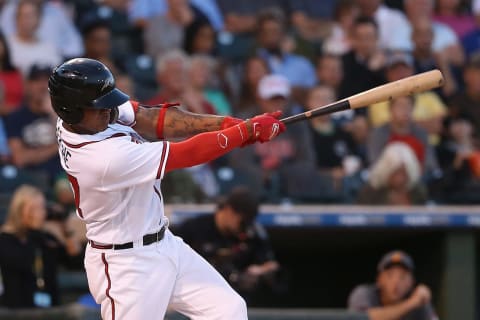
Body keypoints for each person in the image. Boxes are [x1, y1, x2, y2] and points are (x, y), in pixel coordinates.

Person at [48, 57, 285, 319]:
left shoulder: (86, 120)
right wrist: (243, 132)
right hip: (126, 265)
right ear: (70, 110)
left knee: (228, 310)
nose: (108, 110)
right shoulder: (101, 159)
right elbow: (187, 153)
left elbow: (152, 118)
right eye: (99, 107)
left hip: (164, 242)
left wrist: (228, 124)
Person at [173, 186, 282, 305]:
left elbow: (272, 265)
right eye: (242, 222)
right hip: (192, 295)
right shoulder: (195, 228)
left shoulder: (252, 233)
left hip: (234, 297)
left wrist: (259, 271)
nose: (244, 228)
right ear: (229, 210)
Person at [0, 185, 81, 308]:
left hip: (49, 309)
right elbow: (23, 260)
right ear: (20, 210)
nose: (41, 213)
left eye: (42, 208)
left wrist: (66, 228)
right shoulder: (5, 239)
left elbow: (75, 261)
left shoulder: (46, 239)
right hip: (16, 311)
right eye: (34, 208)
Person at [348, 250, 438, 320]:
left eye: (402, 277)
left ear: (412, 282)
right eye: (390, 275)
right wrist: (411, 303)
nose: (396, 282)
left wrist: (419, 301)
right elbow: (366, 318)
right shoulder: (364, 293)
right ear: (379, 279)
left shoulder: (418, 299)